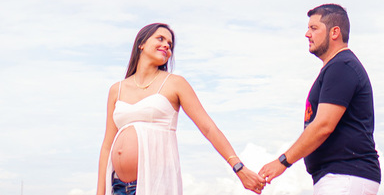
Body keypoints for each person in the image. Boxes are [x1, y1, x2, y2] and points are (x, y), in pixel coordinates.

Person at [96, 22, 265, 195]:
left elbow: (208, 128)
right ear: (141, 43)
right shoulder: (117, 89)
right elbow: (107, 145)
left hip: (156, 184)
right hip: (117, 186)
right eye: (160, 39)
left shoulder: (175, 83)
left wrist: (239, 167)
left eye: (170, 45)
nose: (166, 46)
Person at [258, 4, 381, 195]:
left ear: (335, 32)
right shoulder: (337, 67)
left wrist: (283, 161)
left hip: (345, 176)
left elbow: (324, 125)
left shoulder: (342, 66)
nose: (307, 34)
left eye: (314, 28)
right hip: (339, 178)